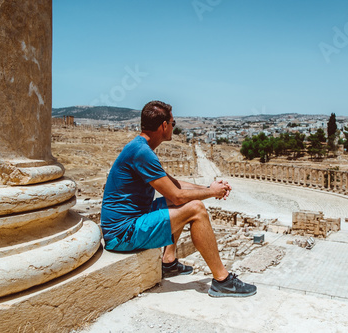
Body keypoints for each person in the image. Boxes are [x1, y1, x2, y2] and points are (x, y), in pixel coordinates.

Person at [100, 100, 256, 298]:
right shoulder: (142, 152)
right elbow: (176, 194)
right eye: (173, 123)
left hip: (131, 221)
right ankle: (222, 280)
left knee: (182, 203)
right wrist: (211, 193)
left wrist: (210, 188)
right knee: (196, 208)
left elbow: (175, 185)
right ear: (164, 125)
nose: (174, 127)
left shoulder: (140, 147)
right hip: (122, 234)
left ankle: (169, 262)